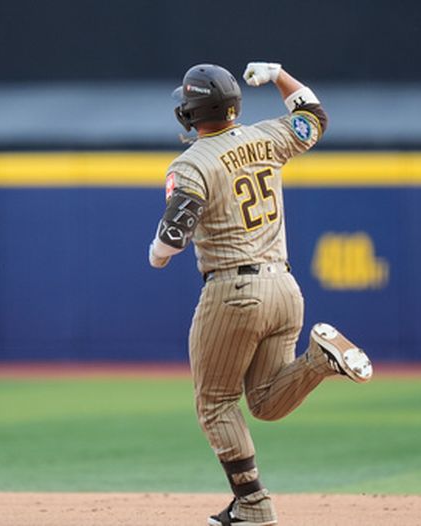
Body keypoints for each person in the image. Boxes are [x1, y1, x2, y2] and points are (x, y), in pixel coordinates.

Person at [148, 61, 373, 526]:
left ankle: (252, 505)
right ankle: (318, 360)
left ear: (189, 111)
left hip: (233, 289)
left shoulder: (191, 162)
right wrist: (279, 76)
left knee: (215, 402)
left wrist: (157, 252)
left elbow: (175, 231)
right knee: (266, 403)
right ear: (233, 106)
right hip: (285, 288)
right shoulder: (266, 137)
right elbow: (314, 116)